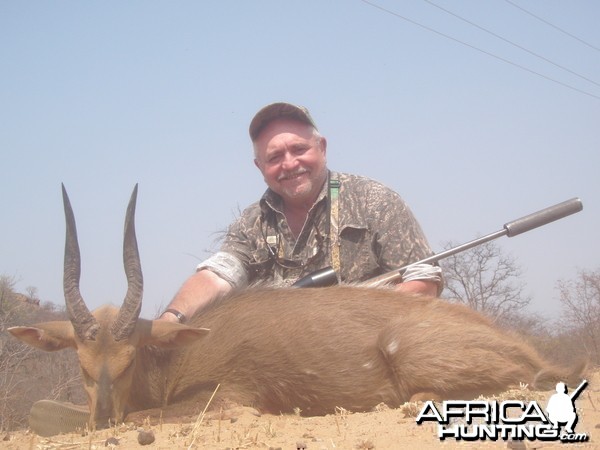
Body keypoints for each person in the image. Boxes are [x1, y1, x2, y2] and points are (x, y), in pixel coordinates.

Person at [160, 102, 442, 323]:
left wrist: (350, 319)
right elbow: (217, 276)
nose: (290, 163)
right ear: (259, 167)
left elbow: (424, 283)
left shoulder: (376, 201)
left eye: (299, 149)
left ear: (322, 148)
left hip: (371, 342)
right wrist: (172, 318)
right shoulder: (251, 223)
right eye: (274, 158)